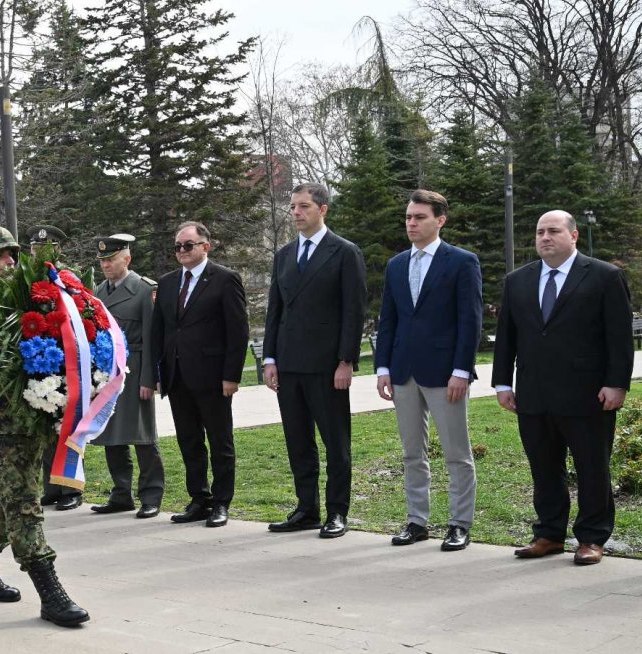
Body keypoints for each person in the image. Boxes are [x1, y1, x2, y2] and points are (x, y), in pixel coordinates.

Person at [0, 225, 89, 626]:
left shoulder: (17, 289)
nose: (11, 262)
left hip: (30, 407)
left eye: (13, 256)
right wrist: (28, 288)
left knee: (13, 493)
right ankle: (50, 592)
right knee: (23, 500)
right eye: (0, 257)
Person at [492, 210, 633, 565]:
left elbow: (619, 337)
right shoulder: (518, 280)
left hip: (587, 393)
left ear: (574, 235)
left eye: (553, 231)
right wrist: (501, 383)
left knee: (591, 467)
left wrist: (616, 383)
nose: (545, 237)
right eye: (540, 232)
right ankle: (549, 534)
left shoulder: (604, 276)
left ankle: (592, 537)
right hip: (534, 392)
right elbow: (507, 337)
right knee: (543, 467)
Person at [375, 190, 483, 551]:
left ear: (440, 220)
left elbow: (470, 321)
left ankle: (459, 524)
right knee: (411, 453)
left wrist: (461, 370)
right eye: (408, 217)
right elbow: (388, 319)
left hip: (445, 373)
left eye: (419, 217)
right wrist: (383, 368)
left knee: (456, 453)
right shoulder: (396, 265)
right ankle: (417, 521)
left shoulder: (462, 262)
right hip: (403, 371)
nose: (411, 223)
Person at [263, 183, 367, 539]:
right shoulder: (284, 255)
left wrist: (346, 361)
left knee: (336, 443)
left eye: (303, 206)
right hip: (289, 364)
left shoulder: (344, 252)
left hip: (327, 366)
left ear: (323, 209)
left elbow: (353, 311)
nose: (295, 213)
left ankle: (337, 511)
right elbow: (275, 311)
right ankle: (306, 508)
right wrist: (270, 358)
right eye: (293, 206)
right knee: (298, 441)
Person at [151, 221, 249, 528]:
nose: (182, 251)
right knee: (189, 441)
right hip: (177, 376)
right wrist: (157, 371)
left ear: (205, 246)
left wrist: (231, 376)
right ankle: (199, 499)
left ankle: (221, 502)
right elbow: (160, 331)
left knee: (220, 442)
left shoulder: (224, 279)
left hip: (212, 376)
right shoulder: (167, 283)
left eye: (188, 245)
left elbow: (238, 331)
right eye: (178, 246)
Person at [91, 234, 166, 518]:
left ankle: (151, 495)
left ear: (127, 259)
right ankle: (121, 493)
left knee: (142, 435)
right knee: (112, 434)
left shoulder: (145, 290)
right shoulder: (99, 291)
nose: (106, 265)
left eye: (111, 259)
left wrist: (149, 378)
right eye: (103, 261)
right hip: (108, 372)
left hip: (135, 369)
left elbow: (151, 338)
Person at [28, 224, 85, 511]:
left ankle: (71, 488)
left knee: (68, 426)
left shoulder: (67, 278)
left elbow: (82, 317)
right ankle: (52, 486)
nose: (39, 252)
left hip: (66, 360)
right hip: (35, 358)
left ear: (58, 249)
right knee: (44, 426)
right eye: (35, 247)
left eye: (46, 247)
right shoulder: (23, 278)